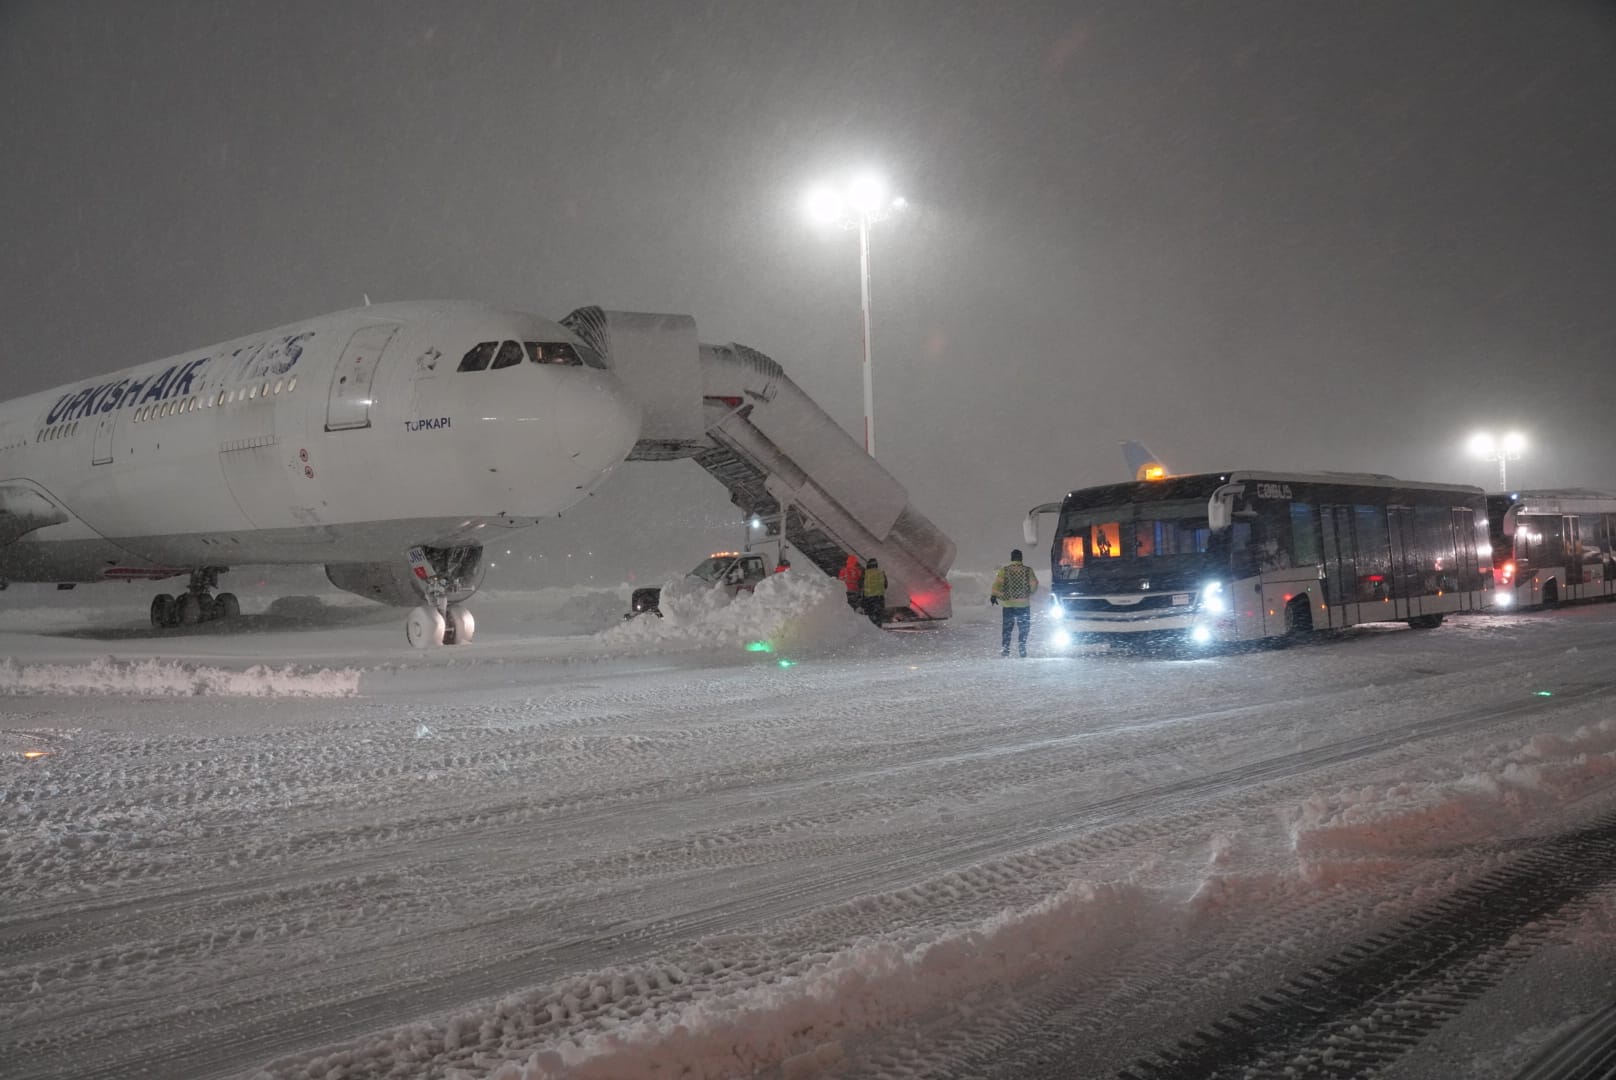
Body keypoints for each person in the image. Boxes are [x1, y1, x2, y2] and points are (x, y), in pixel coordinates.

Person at [991, 548, 1038, 657]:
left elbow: (997, 584)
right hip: (1023, 605)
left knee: (1007, 629)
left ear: (1011, 558)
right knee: (1024, 628)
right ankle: (1022, 648)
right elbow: (1034, 584)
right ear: (1021, 558)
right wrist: (1029, 593)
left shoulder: (1005, 570)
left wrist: (995, 595)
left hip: (1008, 605)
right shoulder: (1028, 570)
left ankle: (1005, 650)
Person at [861, 557, 887, 626]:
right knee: (878, 617)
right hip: (879, 598)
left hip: (868, 599)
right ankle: (878, 630)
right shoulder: (881, 572)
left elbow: (860, 584)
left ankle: (871, 631)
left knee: (869, 617)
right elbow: (885, 585)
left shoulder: (865, 573)